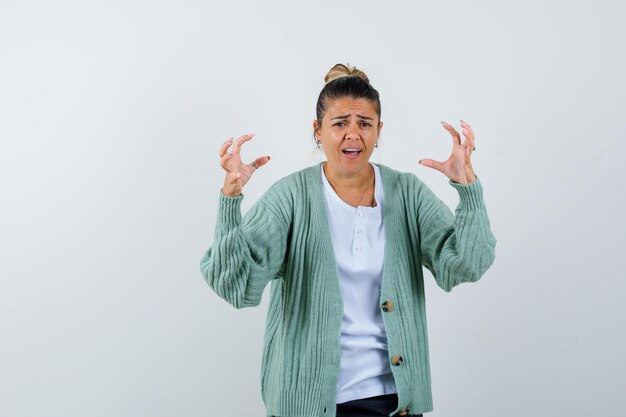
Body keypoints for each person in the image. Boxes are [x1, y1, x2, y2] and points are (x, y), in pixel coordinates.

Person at [200, 63, 496, 417]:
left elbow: (466, 264)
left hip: (395, 401)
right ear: (318, 131)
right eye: (340, 123)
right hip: (308, 405)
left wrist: (468, 190)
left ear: (378, 131)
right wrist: (230, 198)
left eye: (364, 124)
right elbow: (235, 284)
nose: (353, 134)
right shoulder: (290, 198)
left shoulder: (407, 194)